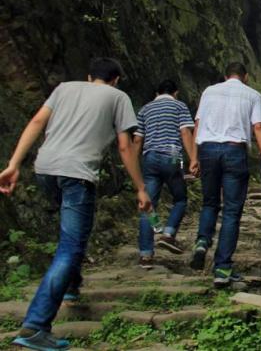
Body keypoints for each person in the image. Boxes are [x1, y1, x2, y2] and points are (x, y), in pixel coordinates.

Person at [0, 57, 151, 351]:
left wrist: (14, 164)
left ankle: (71, 286)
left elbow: (37, 121)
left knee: (73, 235)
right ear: (116, 79)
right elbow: (125, 146)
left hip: (46, 169)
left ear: (88, 75)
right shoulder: (118, 97)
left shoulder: (64, 88)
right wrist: (141, 188)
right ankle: (36, 326)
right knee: (70, 245)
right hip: (77, 173)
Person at [189, 62, 261, 288]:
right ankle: (222, 269)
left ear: (225, 75)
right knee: (231, 212)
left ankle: (202, 241)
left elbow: (198, 124)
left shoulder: (209, 91)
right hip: (234, 151)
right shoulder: (253, 95)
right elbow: (258, 128)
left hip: (207, 149)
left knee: (209, 203)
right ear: (245, 77)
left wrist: (194, 157)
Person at [133, 79, 196, 268]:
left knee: (148, 205)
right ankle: (168, 233)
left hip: (150, 158)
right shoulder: (179, 106)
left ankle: (145, 254)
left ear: (156, 93)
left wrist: (134, 166)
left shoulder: (145, 109)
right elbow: (185, 132)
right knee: (181, 198)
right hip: (172, 156)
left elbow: (137, 140)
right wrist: (193, 158)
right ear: (176, 93)